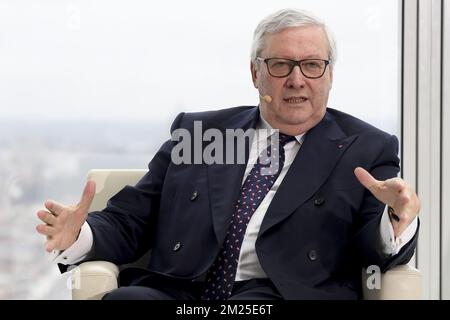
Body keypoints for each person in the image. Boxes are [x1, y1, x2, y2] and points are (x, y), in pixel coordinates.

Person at [36, 8, 420, 300]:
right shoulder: (199, 134)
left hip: (280, 294)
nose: (297, 79)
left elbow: (372, 247)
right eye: (280, 64)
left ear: (330, 75)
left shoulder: (368, 148)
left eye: (312, 65)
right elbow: (130, 220)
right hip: (182, 293)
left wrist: (395, 222)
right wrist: (80, 234)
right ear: (256, 73)